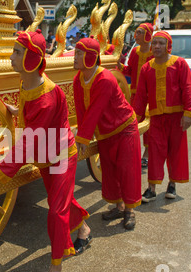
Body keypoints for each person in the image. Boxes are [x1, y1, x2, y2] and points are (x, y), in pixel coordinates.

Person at [0, 29, 91, 272]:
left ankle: (55, 270)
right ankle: (84, 228)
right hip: (44, 153)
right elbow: (30, 119)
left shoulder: (46, 95)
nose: (11, 57)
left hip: (61, 154)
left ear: (32, 57)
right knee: (58, 200)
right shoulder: (28, 83)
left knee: (55, 210)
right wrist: (20, 111)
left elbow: (28, 141)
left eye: (17, 53)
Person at [73, 36, 141, 230]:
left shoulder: (104, 78)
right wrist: (81, 134)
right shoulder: (78, 79)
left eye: (79, 53)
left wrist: (84, 138)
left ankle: (130, 210)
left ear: (90, 57)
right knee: (109, 171)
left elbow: (95, 109)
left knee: (127, 170)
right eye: (76, 53)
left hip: (124, 127)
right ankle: (119, 206)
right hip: (105, 131)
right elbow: (81, 110)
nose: (74, 57)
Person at [134, 31, 191, 202]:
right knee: (154, 152)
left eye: (161, 43)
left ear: (168, 46)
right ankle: (151, 189)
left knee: (176, 152)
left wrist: (188, 113)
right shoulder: (147, 68)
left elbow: (187, 89)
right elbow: (140, 96)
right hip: (156, 118)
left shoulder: (180, 64)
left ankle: (172, 184)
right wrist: (133, 118)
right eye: (155, 43)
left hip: (177, 118)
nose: (157, 46)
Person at [118, 23, 154, 168]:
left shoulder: (154, 53)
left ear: (147, 35)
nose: (136, 35)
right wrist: (119, 64)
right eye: (136, 32)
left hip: (150, 95)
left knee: (149, 125)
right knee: (133, 122)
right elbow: (129, 71)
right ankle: (133, 151)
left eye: (139, 32)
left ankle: (147, 153)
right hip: (134, 94)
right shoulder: (134, 52)